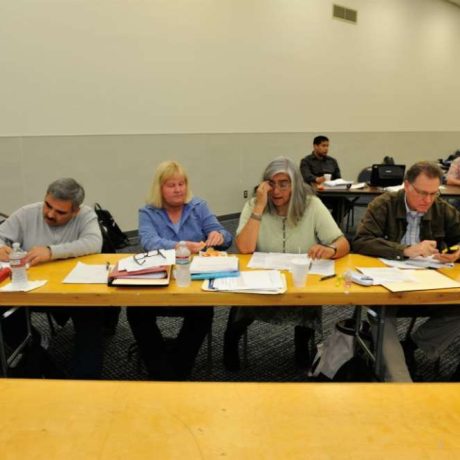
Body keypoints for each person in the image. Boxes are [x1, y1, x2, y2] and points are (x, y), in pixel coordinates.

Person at [223, 157, 349, 372]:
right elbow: (244, 248)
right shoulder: (255, 205)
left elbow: (343, 243)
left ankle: (301, 346)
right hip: (261, 279)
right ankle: (230, 344)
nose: (277, 190)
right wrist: (259, 207)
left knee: (307, 303)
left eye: (284, 184)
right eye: (271, 183)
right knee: (241, 306)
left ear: (295, 185)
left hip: (300, 279)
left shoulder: (312, 205)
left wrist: (330, 250)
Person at [353, 161, 460, 382]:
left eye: (434, 193)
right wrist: (405, 250)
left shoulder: (441, 208)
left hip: (429, 284)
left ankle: (410, 346)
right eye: (422, 193)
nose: (428, 200)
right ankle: (403, 388)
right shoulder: (384, 205)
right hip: (389, 286)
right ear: (406, 186)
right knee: (383, 318)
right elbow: (362, 241)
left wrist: (456, 252)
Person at [127, 161, 233, 380]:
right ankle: (162, 369)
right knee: (135, 311)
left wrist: (219, 236)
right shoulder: (148, 212)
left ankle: (176, 368)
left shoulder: (198, 206)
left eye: (181, 184)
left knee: (203, 312)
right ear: (159, 188)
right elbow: (148, 241)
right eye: (171, 185)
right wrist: (180, 246)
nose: (178, 189)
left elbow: (224, 234)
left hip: (192, 283)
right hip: (158, 281)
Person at [0, 178, 105, 379]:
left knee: (91, 317)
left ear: (75, 211)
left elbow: (93, 243)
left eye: (60, 212)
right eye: (48, 205)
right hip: (30, 289)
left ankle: (84, 384)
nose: (50, 213)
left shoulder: (86, 215)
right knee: (7, 317)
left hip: (74, 289)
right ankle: (48, 369)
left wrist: (51, 252)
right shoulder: (26, 213)